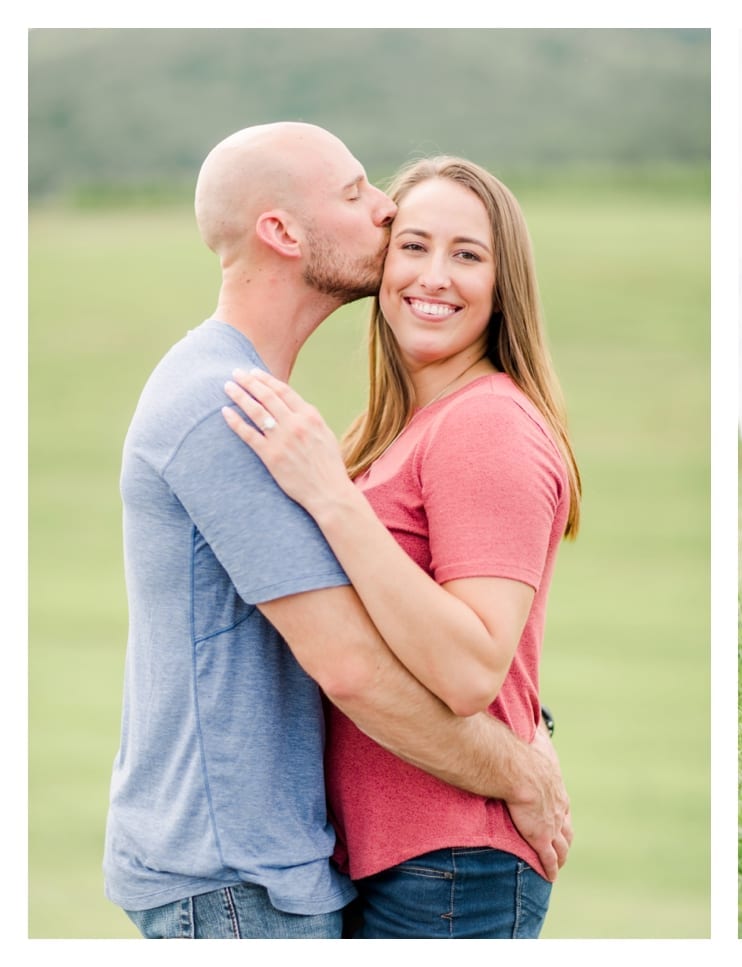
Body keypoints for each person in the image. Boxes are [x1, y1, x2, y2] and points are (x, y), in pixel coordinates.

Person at [104, 123, 571, 940]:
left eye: (468, 253)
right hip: (241, 877)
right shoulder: (235, 409)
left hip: (394, 860)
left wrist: (528, 751)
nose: (383, 209)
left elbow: (460, 650)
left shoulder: (466, 422)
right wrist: (519, 769)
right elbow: (355, 664)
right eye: (358, 194)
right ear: (281, 232)